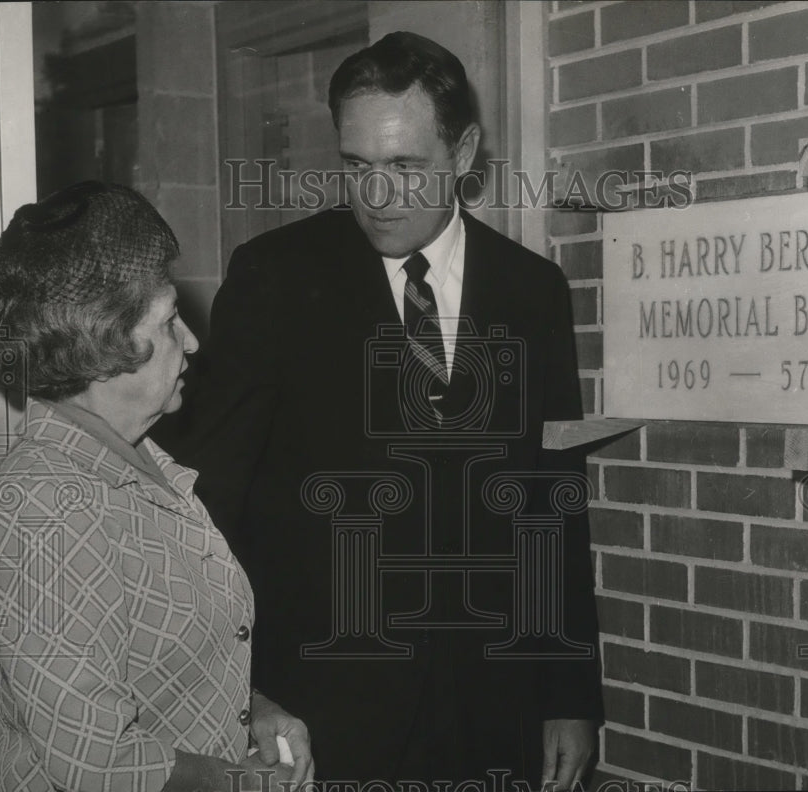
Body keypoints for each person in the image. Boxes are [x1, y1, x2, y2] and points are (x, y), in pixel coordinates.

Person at [165, 32, 602, 788]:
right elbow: (209, 509)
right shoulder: (274, 277)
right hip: (320, 714)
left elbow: (550, 505)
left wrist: (568, 694)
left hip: (490, 707)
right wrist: (240, 696)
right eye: (357, 167)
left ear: (463, 154)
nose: (376, 197)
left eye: (405, 167)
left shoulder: (533, 291)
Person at [0, 182, 313, 792]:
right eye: (171, 320)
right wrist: (245, 782)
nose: (193, 341)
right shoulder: (40, 510)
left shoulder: (144, 466)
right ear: (106, 344)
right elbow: (95, 763)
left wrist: (255, 712)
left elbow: (153, 664)